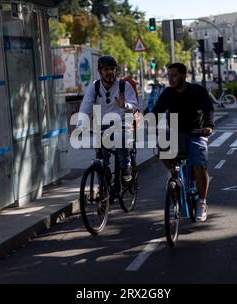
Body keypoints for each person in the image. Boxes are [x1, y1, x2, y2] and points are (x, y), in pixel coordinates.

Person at [150, 63, 214, 221]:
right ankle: (173, 176)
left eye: (174, 75)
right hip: (176, 133)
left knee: (199, 163)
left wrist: (208, 126)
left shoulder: (197, 91)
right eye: (169, 75)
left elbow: (208, 109)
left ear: (184, 76)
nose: (170, 79)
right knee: (162, 151)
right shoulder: (168, 93)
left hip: (195, 133)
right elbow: (157, 111)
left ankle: (202, 202)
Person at [78, 55, 139, 182]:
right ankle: (104, 189)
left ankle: (125, 166)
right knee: (101, 160)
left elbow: (135, 105)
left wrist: (125, 105)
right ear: (100, 71)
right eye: (106, 70)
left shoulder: (124, 85)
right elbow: (86, 106)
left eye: (112, 69)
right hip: (102, 126)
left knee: (121, 138)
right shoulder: (94, 87)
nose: (110, 72)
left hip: (122, 124)